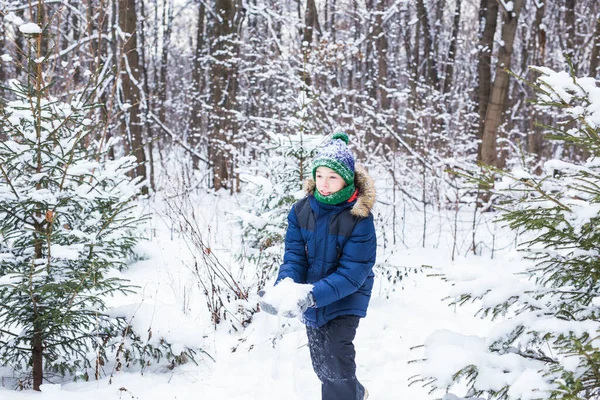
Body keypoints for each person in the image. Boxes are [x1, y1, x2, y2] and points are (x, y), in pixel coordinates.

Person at [259, 132, 377, 400]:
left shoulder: (359, 217)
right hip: (310, 297)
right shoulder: (301, 211)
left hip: (346, 297)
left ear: (346, 178)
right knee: (322, 364)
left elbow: (353, 273)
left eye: (332, 177)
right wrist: (286, 289)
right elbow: (294, 257)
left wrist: (311, 295)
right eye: (320, 175)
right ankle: (356, 393)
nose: (324, 183)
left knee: (336, 359)